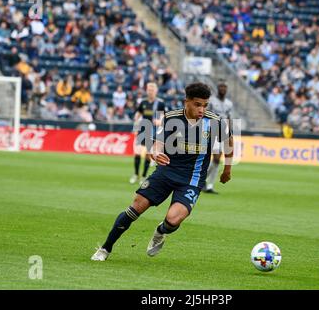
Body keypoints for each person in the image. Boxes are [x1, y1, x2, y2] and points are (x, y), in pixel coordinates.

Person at [91, 82, 233, 261]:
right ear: (186, 102)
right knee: (136, 207)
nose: (202, 109)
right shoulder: (171, 118)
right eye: (197, 104)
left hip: (192, 179)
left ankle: (161, 231)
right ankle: (105, 248)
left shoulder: (214, 121)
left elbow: (229, 142)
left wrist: (227, 169)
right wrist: (157, 153)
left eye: (205, 105)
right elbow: (157, 143)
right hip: (166, 171)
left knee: (173, 220)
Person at [129, 82, 166, 185]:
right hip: (142, 129)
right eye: (149, 90)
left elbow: (162, 117)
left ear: (156, 91)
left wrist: (159, 122)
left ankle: (144, 176)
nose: (150, 92)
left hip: (153, 131)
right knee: (137, 152)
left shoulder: (159, 103)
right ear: (147, 90)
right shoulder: (143, 102)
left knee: (147, 154)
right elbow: (138, 114)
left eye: (152, 90)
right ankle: (136, 174)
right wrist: (136, 127)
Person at [203, 81, 233, 194]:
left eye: (224, 87)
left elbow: (229, 117)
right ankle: (203, 180)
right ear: (217, 88)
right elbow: (206, 115)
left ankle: (209, 185)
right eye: (221, 86)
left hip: (223, 131)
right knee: (214, 158)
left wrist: (229, 131)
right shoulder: (211, 101)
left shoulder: (229, 104)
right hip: (212, 130)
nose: (223, 88)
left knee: (217, 160)